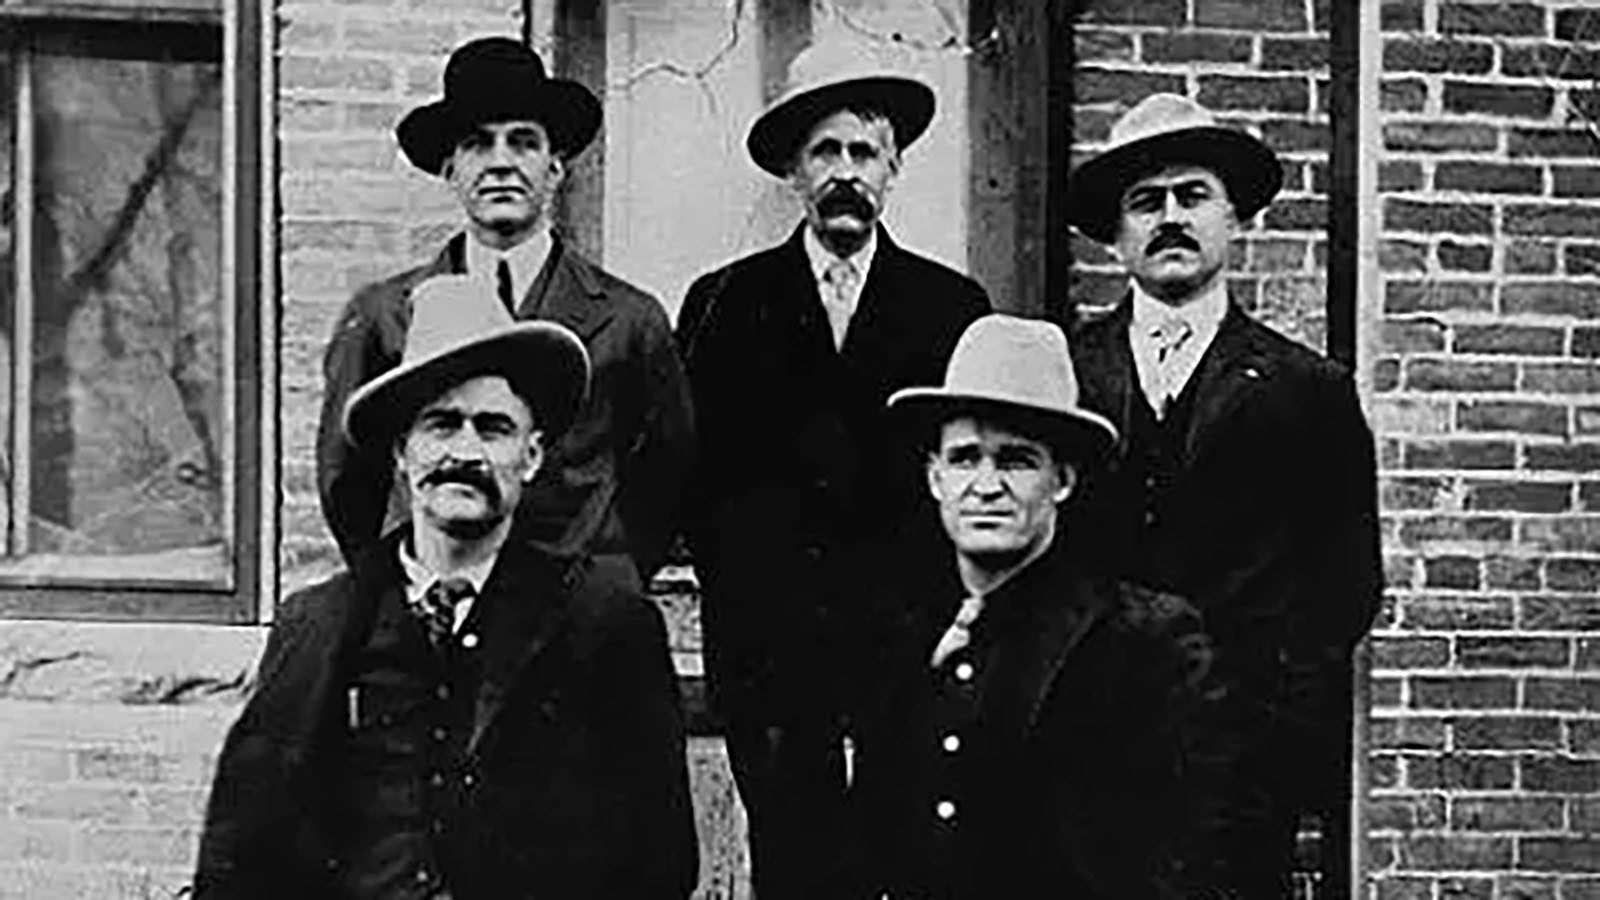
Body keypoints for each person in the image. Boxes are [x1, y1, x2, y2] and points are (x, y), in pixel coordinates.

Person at [194, 277, 698, 900]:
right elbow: (242, 851)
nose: (465, 451)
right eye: (441, 425)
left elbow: (657, 861)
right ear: (402, 452)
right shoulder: (320, 623)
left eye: (493, 429)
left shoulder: (606, 622)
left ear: (532, 456)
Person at [674, 38, 991, 899]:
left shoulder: (950, 307)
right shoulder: (723, 303)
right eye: (826, 152)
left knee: (910, 855)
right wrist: (747, 590)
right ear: (792, 171)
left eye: (864, 153)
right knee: (795, 862)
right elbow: (695, 481)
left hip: (909, 641)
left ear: (893, 171)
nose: (846, 173)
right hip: (772, 651)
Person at [1066, 92, 1383, 895]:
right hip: (1079, 756)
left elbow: (1342, 588)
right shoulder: (1063, 372)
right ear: (1116, 233)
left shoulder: (1307, 389)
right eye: (1145, 202)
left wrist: (1277, 744)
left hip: (1239, 772)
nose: (1169, 217)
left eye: (1191, 195)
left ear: (1233, 217)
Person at [849, 314, 1237, 898]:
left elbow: (1192, 854)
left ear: (1062, 479)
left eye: (1015, 460)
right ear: (934, 479)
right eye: (964, 458)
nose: (985, 485)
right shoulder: (907, 638)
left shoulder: (1143, 642)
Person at [317, 36, 693, 584]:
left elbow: (668, 475)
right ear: (449, 169)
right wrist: (408, 587)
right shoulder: (383, 316)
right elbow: (347, 479)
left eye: (523, 143)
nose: (501, 163)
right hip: (437, 606)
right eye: (478, 144)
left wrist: (608, 581)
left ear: (556, 168)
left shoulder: (630, 319)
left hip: (574, 614)